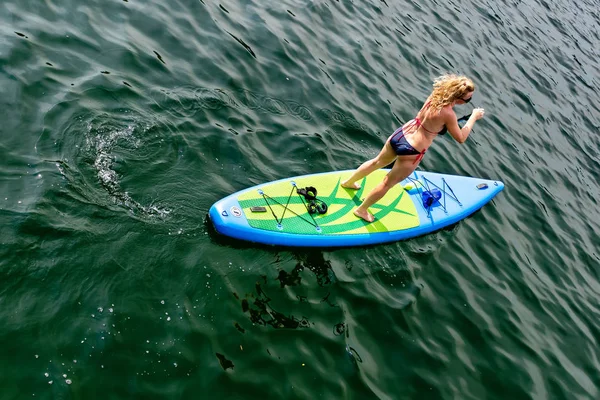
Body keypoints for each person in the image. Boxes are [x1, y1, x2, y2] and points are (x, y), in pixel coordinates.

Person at [341, 74, 486, 223]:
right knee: (387, 183)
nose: (467, 102)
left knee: (376, 162)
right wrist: (473, 117)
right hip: (412, 150)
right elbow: (461, 138)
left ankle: (348, 182)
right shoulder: (449, 114)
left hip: (401, 134)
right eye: (468, 100)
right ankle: (362, 210)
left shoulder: (436, 95)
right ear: (460, 99)